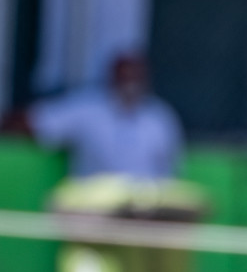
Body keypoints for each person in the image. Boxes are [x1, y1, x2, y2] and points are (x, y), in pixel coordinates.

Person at [4, 51, 183, 180]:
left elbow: (170, 172)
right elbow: (35, 122)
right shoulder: (87, 108)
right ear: (111, 78)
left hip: (144, 213)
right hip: (93, 209)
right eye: (124, 78)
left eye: (135, 78)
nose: (130, 85)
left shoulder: (160, 118)